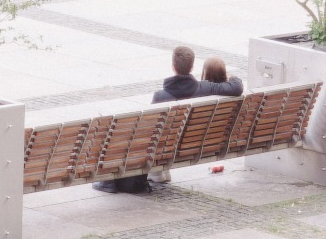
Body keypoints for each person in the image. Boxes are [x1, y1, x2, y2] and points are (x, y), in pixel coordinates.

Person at [95, 47, 243, 193]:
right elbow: (236, 87)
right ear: (192, 67)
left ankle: (149, 173)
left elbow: (150, 131)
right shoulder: (205, 88)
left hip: (165, 149)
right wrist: (230, 76)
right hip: (194, 145)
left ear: (173, 66)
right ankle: (158, 172)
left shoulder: (161, 97)